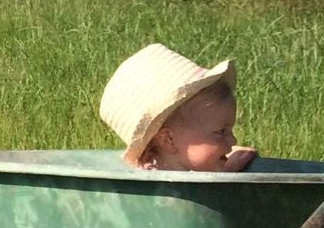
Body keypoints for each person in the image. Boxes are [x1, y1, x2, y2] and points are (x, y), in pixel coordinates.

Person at [101, 43, 258, 172]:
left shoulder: (179, 164)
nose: (232, 140)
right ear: (169, 140)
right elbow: (194, 206)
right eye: (220, 132)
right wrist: (228, 174)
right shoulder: (155, 184)